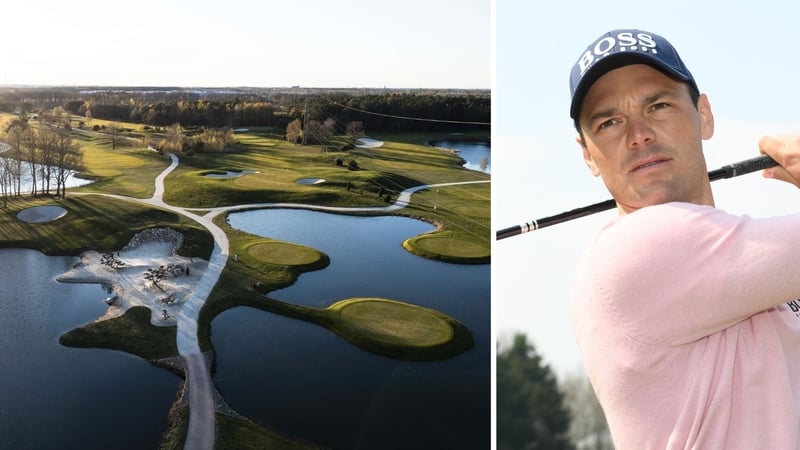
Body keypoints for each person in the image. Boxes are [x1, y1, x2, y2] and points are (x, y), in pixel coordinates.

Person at [568, 29, 800, 449]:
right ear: (588, 155)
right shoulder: (638, 248)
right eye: (609, 122)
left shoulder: (758, 272)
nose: (638, 134)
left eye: (657, 105)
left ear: (704, 115)